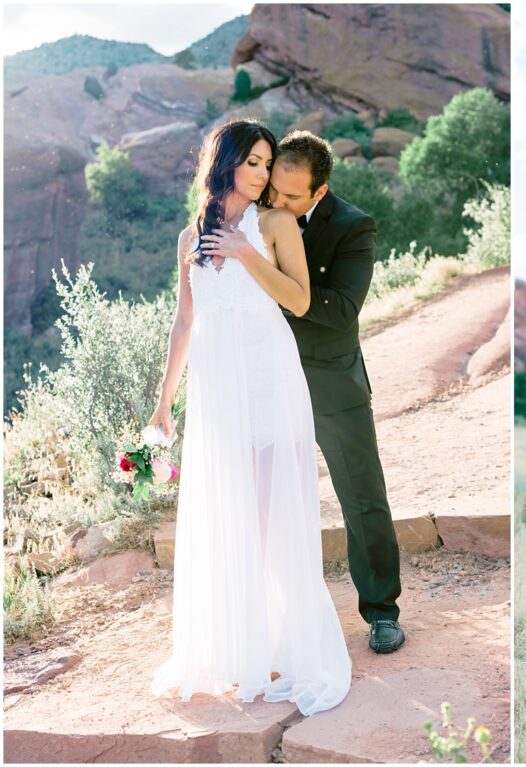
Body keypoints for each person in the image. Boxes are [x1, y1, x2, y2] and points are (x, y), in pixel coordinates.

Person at [149, 119, 351, 715]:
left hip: (267, 378)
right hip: (217, 386)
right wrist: (164, 402)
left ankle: (283, 648)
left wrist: (243, 253)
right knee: (227, 513)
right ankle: (237, 649)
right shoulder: (190, 236)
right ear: (226, 161)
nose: (264, 173)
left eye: (269, 164)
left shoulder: (275, 224)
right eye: (255, 162)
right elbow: (185, 323)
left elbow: (299, 300)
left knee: (269, 516)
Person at [199, 130, 404, 654]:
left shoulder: (354, 227)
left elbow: (340, 312)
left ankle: (382, 612)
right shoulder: (250, 214)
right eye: (272, 188)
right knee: (259, 499)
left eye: (291, 197)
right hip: (262, 377)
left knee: (361, 496)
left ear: (319, 191)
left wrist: (276, 288)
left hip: (328, 377)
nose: (277, 201)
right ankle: (267, 619)